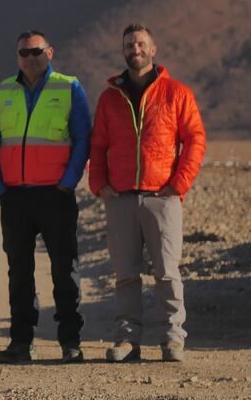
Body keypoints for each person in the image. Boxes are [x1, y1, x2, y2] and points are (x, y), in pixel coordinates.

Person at [89, 24, 205, 363]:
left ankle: (172, 338)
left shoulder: (176, 93)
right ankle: (127, 339)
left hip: (162, 197)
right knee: (125, 274)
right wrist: (99, 184)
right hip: (120, 198)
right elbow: (98, 145)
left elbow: (195, 140)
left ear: (153, 49)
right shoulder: (110, 97)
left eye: (141, 44)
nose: (135, 49)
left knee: (167, 271)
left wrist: (179, 184)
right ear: (123, 51)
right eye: (129, 45)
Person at [0, 30, 91, 364]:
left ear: (50, 52)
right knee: (19, 271)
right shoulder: (5, 90)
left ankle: (70, 341)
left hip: (55, 195)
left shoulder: (68, 87)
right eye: (24, 53)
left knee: (64, 269)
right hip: (16, 197)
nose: (30, 58)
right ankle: (20, 342)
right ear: (17, 57)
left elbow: (83, 138)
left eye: (36, 51)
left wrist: (68, 183)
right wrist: (0, 188)